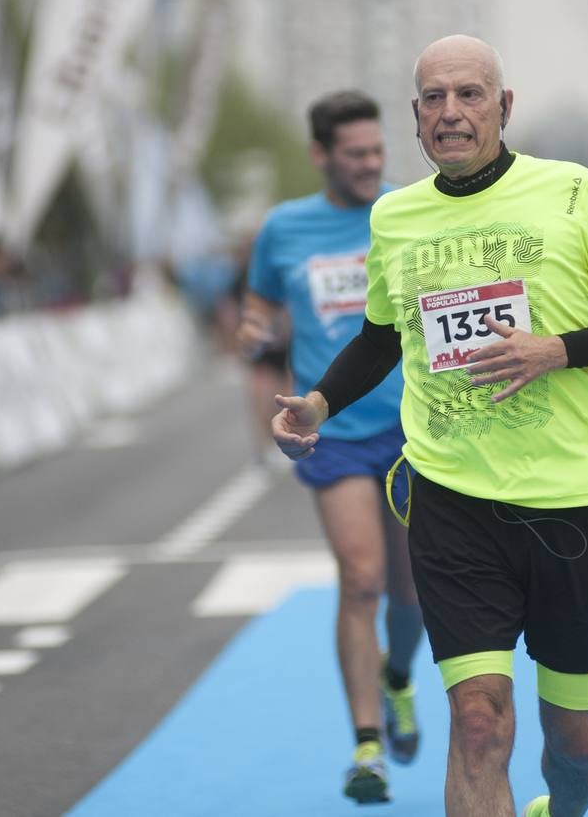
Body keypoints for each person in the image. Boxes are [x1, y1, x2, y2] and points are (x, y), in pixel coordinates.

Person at [271, 37, 588, 817]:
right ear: (415, 118)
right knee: (479, 721)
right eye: (433, 98)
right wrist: (318, 404)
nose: (451, 112)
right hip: (453, 500)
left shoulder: (574, 193)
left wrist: (557, 349)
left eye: (469, 94)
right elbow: (382, 338)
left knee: (576, 746)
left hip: (575, 504)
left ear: (504, 106)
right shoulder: (395, 217)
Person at [240, 90, 425, 805]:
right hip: (335, 431)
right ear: (320, 155)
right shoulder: (284, 228)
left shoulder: (409, 211)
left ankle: (399, 678)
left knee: (412, 591)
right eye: (356, 155)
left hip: (413, 429)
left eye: (379, 152)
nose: (371, 165)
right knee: (362, 579)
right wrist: (252, 332)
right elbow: (259, 303)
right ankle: (367, 746)